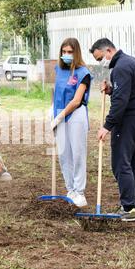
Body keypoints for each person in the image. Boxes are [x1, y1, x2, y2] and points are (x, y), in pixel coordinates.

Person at [89, 38, 135, 222]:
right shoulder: (133, 62)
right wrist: (111, 90)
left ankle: (128, 208)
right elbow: (129, 92)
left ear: (108, 50)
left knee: (121, 164)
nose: (102, 63)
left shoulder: (121, 67)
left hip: (128, 122)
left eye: (101, 58)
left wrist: (107, 126)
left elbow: (121, 102)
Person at [51, 38, 92, 207]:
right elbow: (57, 94)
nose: (66, 55)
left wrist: (60, 117)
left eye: (70, 52)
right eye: (64, 52)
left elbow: (76, 100)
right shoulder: (59, 70)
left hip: (75, 115)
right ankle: (70, 190)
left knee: (77, 153)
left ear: (76, 53)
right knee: (63, 153)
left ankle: (80, 192)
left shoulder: (83, 73)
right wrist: (53, 114)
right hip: (59, 113)